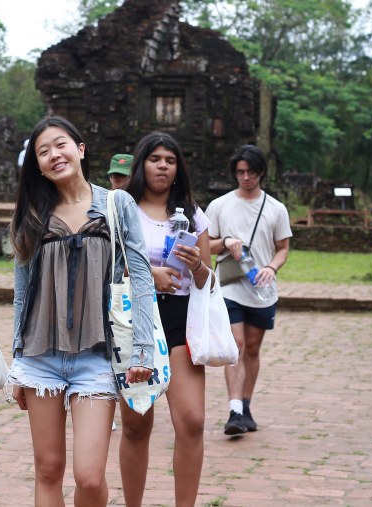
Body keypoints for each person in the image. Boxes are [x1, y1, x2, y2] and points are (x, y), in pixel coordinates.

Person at [8, 115, 156, 507]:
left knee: (89, 478)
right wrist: (17, 361)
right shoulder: (32, 212)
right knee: (48, 469)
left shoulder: (116, 203)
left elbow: (140, 276)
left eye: (60, 145)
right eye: (43, 151)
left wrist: (142, 349)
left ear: (80, 149)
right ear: (37, 164)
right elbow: (22, 294)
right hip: (41, 357)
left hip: (97, 356)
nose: (54, 155)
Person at [118, 132, 212, 507]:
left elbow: (206, 279)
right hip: (134, 319)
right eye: (155, 158)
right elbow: (107, 264)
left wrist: (197, 264)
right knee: (137, 424)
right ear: (142, 163)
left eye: (170, 161)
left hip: (179, 320)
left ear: (178, 169)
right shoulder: (121, 207)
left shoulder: (192, 213)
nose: (162, 166)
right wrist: (149, 273)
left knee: (191, 420)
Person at [205, 145, 291, 436]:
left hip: (261, 288)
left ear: (261, 173)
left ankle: (246, 404)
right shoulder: (219, 206)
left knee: (252, 348)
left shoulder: (276, 209)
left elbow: (283, 248)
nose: (245, 178)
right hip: (228, 287)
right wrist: (226, 241)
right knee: (236, 346)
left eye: (250, 172)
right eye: (240, 172)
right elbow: (205, 244)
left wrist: (272, 267)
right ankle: (234, 410)